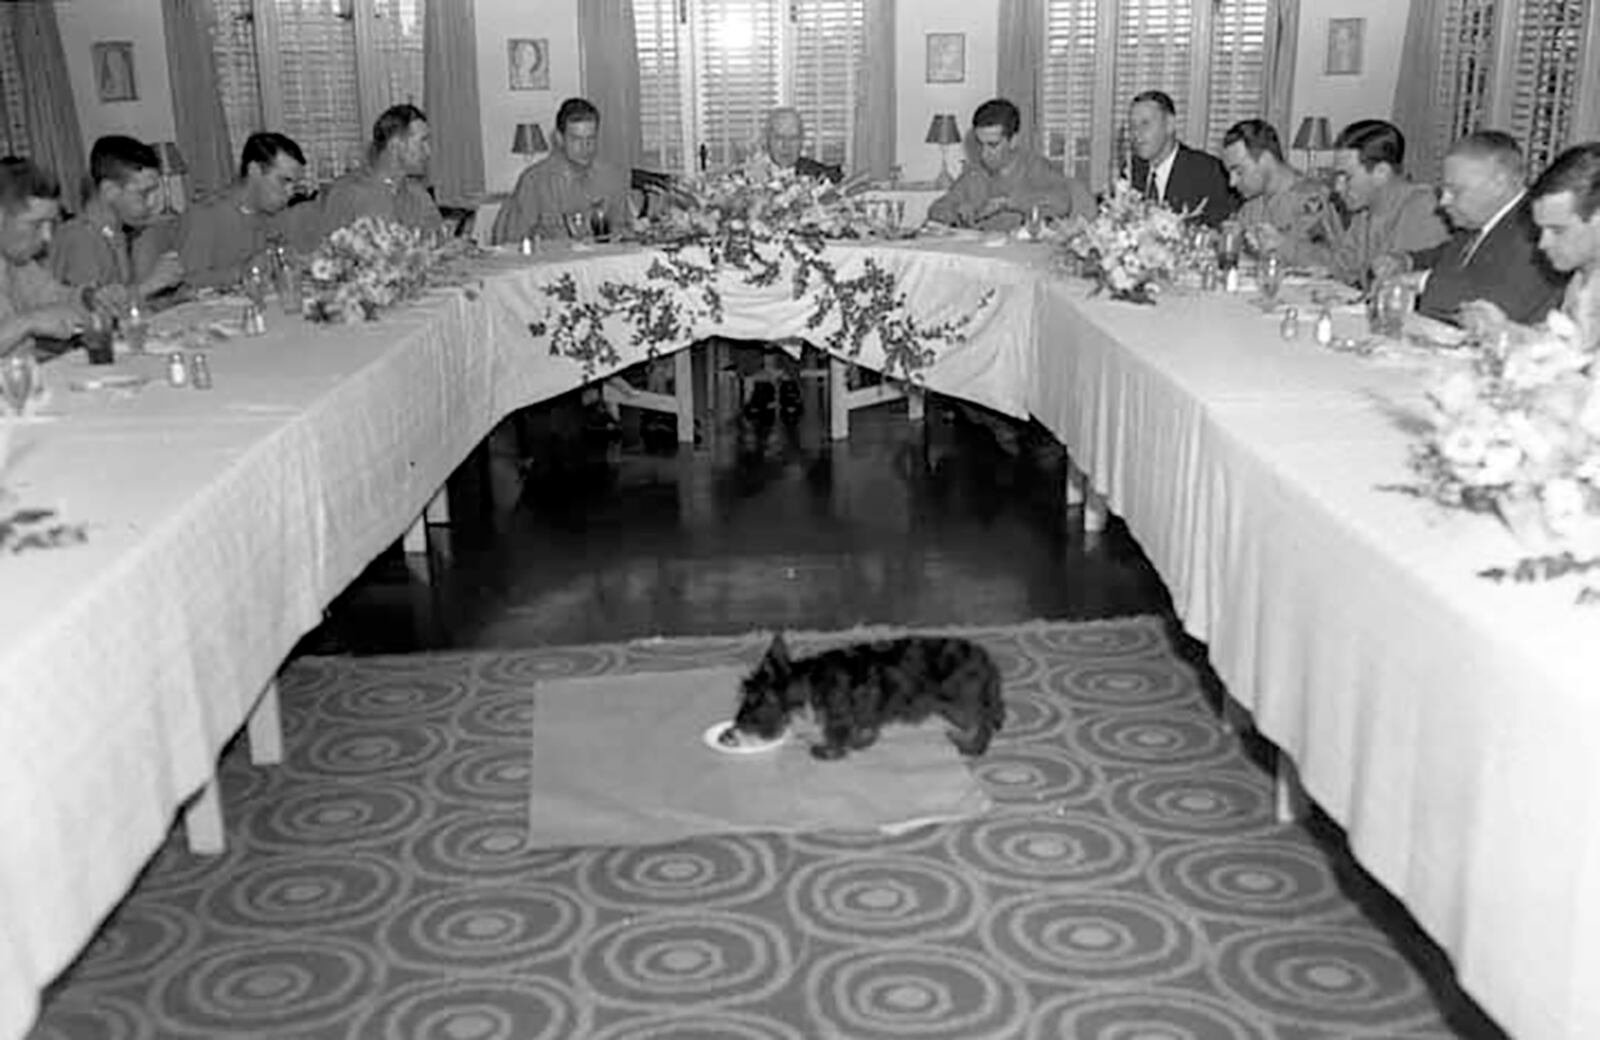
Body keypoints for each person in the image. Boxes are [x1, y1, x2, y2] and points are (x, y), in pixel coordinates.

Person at [1372, 131, 1564, 327]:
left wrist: (1422, 281)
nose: (1444, 201)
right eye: (1444, 190)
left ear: (1499, 183)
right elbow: (1457, 255)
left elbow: (1498, 302)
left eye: (1455, 191)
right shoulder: (1481, 218)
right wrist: (1407, 260)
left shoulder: (1538, 228)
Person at [50, 135, 183, 307]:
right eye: (144, 194)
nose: (153, 203)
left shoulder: (114, 232)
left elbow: (125, 301)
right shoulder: (80, 238)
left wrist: (171, 300)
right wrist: (151, 285)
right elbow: (94, 318)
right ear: (110, 190)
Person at [177, 132, 319, 288]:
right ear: (254, 171)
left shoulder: (278, 213)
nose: (290, 192)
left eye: (295, 184)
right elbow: (188, 281)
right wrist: (247, 271)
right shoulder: (204, 214)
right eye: (284, 181)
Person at [927, 98, 1093, 231]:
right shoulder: (974, 173)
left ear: (1013, 140)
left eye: (993, 145)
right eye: (980, 144)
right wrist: (957, 211)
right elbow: (936, 210)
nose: (984, 154)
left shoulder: (1035, 167)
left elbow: (1062, 203)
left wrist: (1008, 202)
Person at [492, 97, 631, 243]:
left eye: (591, 139)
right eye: (576, 140)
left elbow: (623, 230)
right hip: (551, 262)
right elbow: (512, 241)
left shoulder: (612, 177)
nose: (585, 147)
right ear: (560, 139)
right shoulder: (534, 181)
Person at [1328, 119, 1449, 287]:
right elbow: (1341, 268)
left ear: (1381, 172)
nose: (1337, 187)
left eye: (1346, 177)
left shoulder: (1423, 208)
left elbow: (1401, 288)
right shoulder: (1364, 211)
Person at [0, 159, 89, 359]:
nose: (47, 237)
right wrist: (27, 322)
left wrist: (90, 297)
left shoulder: (21, 264)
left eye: (51, 224)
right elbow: (35, 319)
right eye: (36, 224)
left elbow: (54, 298)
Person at [1220, 119, 1336, 268]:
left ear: (1266, 160)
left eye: (1239, 171)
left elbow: (1334, 263)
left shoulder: (1312, 198)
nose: (1232, 182)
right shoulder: (1251, 206)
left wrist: (1282, 245)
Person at [318, 104, 444, 237]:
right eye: (422, 141)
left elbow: (441, 247)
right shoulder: (347, 192)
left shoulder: (419, 195)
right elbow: (331, 252)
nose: (428, 151)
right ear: (395, 145)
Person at [1126, 91, 1234, 227]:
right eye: (1132, 126)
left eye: (1145, 124)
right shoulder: (1132, 171)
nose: (1136, 134)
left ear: (1170, 125)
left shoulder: (1206, 172)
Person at [1528, 142, 1600, 345]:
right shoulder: (1583, 276)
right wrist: (1506, 332)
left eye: (1557, 230)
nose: (1543, 243)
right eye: (1541, 230)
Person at [748, 107, 843, 184]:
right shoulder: (747, 179)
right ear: (767, 140)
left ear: (802, 141)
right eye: (779, 138)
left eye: (793, 138)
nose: (786, 145)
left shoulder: (822, 176)